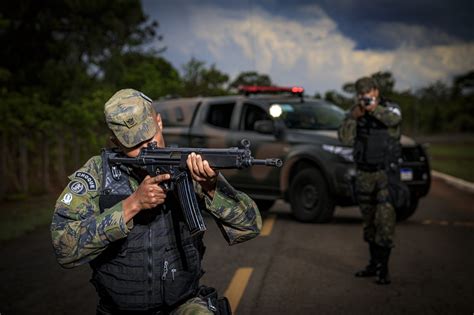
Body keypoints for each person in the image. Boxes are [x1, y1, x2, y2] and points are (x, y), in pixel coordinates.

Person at [51, 89, 262, 314]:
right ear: (115, 141)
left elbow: (249, 227)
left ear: (158, 122)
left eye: (150, 137)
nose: (146, 147)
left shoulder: (186, 165)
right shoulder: (97, 175)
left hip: (182, 304)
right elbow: (64, 249)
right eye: (133, 143)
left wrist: (212, 188)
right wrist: (132, 205)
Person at [338, 77, 402, 285]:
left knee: (385, 221)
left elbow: (394, 122)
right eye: (362, 95)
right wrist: (353, 118)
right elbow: (345, 139)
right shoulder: (355, 111)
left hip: (385, 174)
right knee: (369, 223)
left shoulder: (390, 108)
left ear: (376, 91)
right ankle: (373, 264)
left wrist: (374, 109)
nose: (366, 99)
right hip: (364, 174)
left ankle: (384, 269)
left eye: (369, 94)